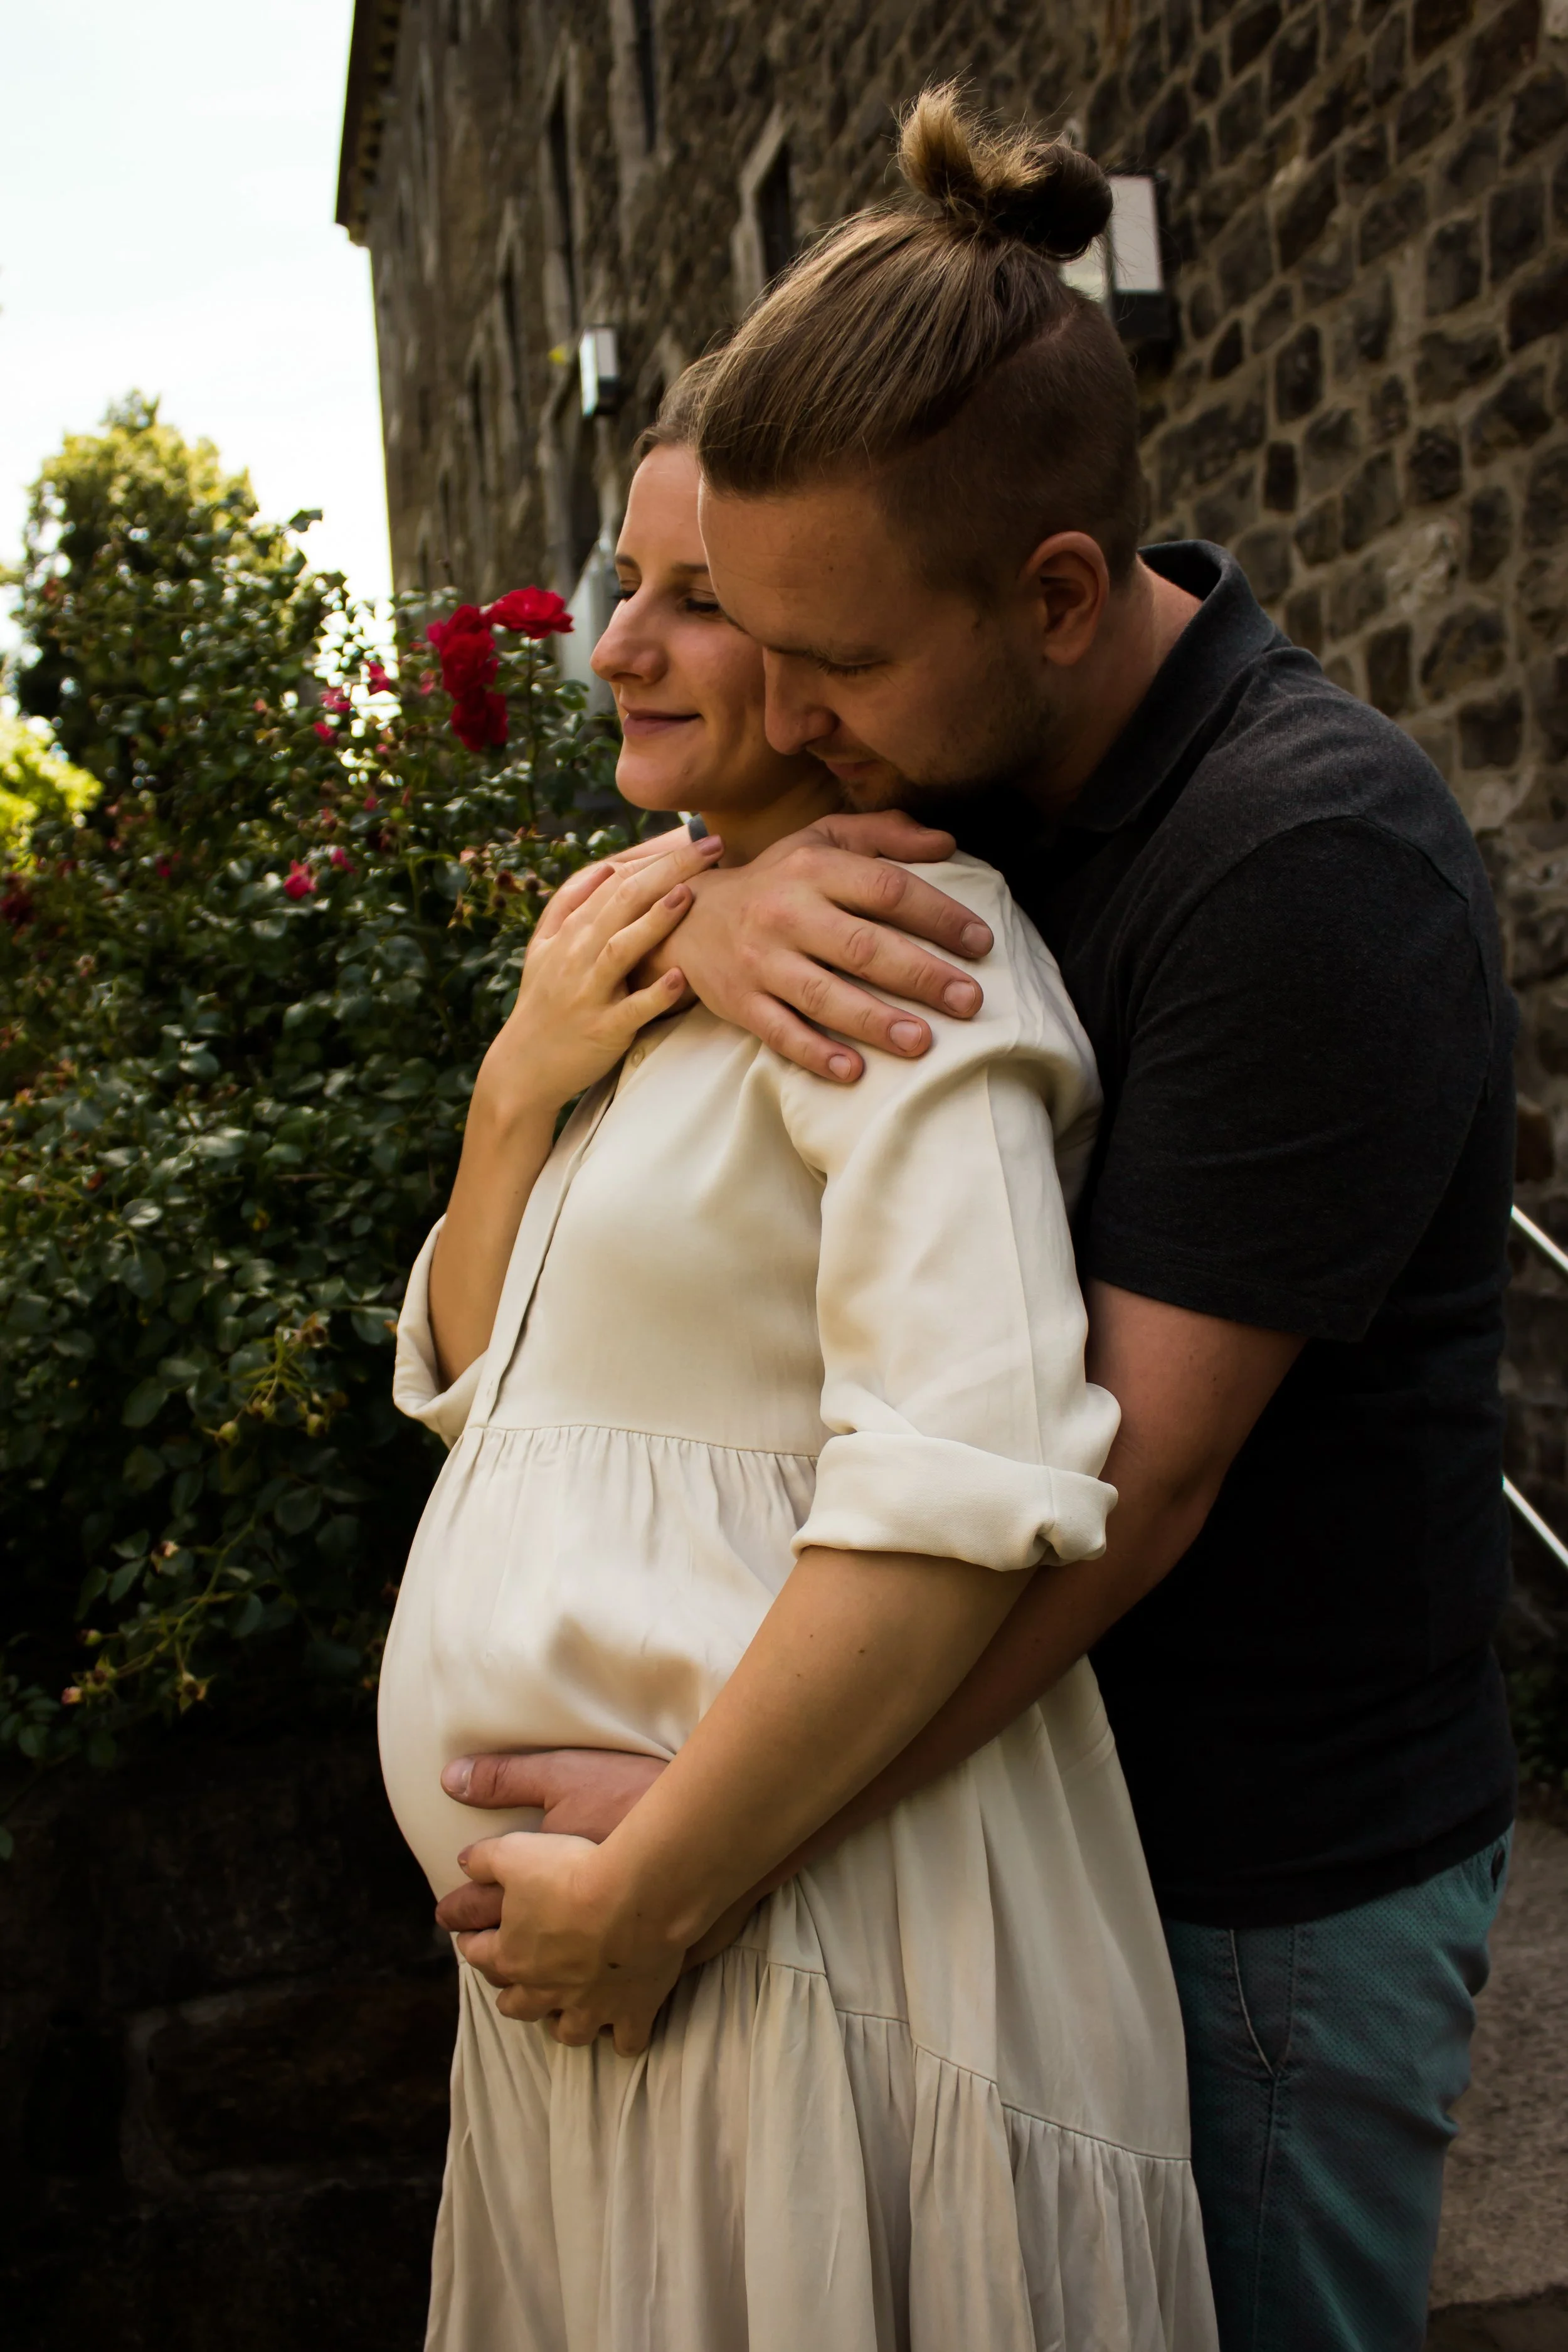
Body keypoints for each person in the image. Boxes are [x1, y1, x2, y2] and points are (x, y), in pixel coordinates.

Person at [438, 87, 1518, 2352]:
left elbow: (1112, 1491)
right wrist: (703, 909)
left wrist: (688, 1857)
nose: (781, 706)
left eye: (820, 661)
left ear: (1052, 595)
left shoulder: (1301, 860)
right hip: (962, 1843)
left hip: (1247, 1889)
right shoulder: (958, 756)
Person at [378, 361, 1219, 2349]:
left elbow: (963, 1482)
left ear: (823, 662)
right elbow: (483, 1385)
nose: (618, 645)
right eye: (629, 583)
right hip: (622, 1978)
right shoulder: (628, 932)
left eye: (700, 602)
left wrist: (654, 1885)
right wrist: (514, 1087)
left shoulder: (903, 960)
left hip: (804, 1953)